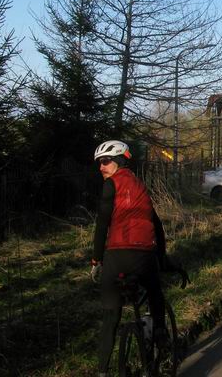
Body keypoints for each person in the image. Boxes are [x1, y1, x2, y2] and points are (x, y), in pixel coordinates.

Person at [91, 140, 167, 377]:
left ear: (119, 161)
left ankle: (102, 372)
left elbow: (102, 223)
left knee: (110, 316)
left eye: (105, 162)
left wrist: (96, 260)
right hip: (144, 257)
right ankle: (161, 336)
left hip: (116, 257)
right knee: (155, 293)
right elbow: (158, 226)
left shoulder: (110, 185)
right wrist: (162, 258)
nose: (100, 167)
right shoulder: (142, 188)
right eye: (99, 163)